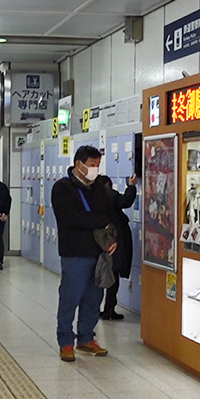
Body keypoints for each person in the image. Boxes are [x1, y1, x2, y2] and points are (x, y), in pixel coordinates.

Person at [51, 145, 116, 362]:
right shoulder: (63, 188)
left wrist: (111, 238)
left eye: (98, 165)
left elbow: (109, 215)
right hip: (75, 253)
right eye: (91, 165)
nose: (95, 169)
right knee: (70, 297)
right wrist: (101, 221)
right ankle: (66, 341)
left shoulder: (99, 188)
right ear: (78, 164)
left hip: (98, 252)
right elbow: (72, 218)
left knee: (93, 298)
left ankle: (86, 338)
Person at [96, 174, 137, 320]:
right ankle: (109, 309)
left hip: (101, 239)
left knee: (103, 273)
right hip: (115, 239)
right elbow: (125, 201)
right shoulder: (108, 194)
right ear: (107, 185)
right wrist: (131, 186)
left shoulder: (93, 196)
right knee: (113, 275)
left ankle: (100, 308)